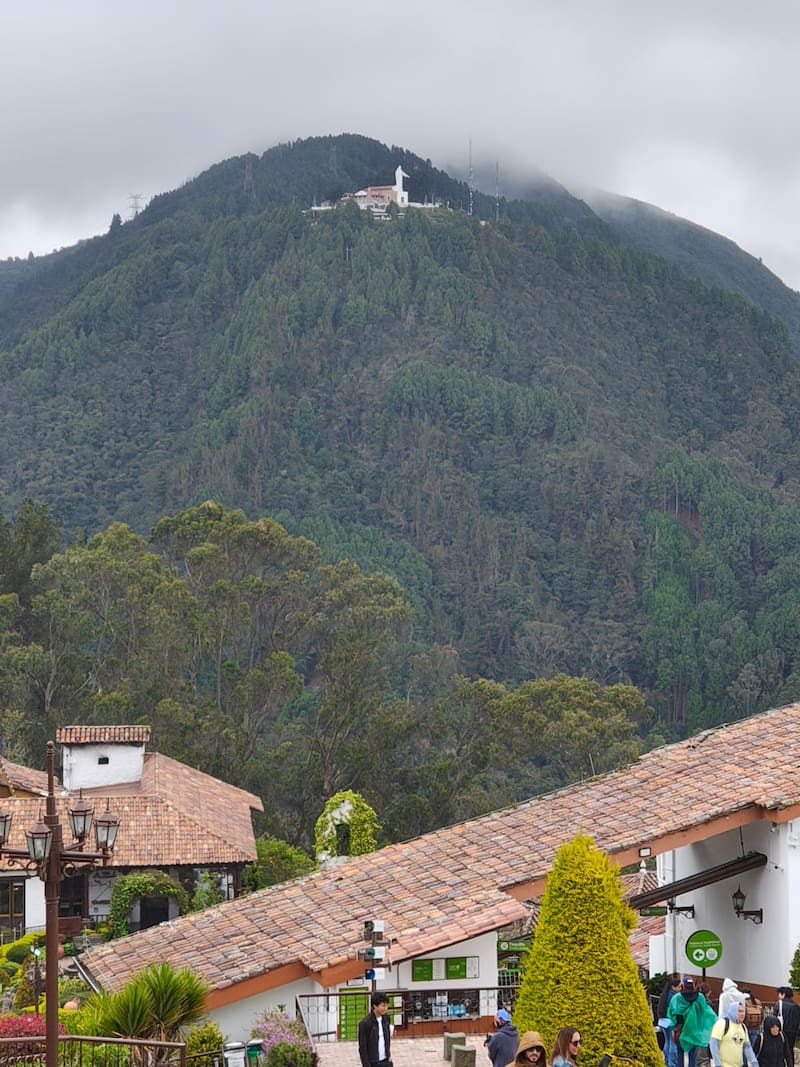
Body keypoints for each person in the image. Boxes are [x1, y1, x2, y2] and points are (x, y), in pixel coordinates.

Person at [669, 977, 718, 1067]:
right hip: (694, 1030)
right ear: (693, 985)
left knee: (680, 1053)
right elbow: (705, 1012)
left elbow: (671, 1012)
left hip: (680, 1030)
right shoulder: (700, 997)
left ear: (683, 985)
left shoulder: (677, 998)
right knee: (693, 1055)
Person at [709, 1001, 757, 1067]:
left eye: (743, 1011)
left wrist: (754, 1062)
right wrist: (717, 1064)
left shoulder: (743, 1027)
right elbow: (713, 1044)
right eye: (739, 1011)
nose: (742, 1014)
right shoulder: (722, 1024)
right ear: (733, 1011)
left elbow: (747, 1046)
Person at [358, 991, 392, 1067]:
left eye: (386, 1005)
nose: (385, 1008)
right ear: (375, 1006)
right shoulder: (365, 1023)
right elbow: (363, 1048)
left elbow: (387, 1038)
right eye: (383, 1006)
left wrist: (389, 1056)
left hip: (386, 1061)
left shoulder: (386, 1018)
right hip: (373, 1062)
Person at [659, 976, 684, 1067]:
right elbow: (676, 1010)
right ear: (673, 987)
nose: (680, 989)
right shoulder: (675, 997)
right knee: (673, 1044)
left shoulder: (664, 995)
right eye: (679, 987)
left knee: (667, 1042)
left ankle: (666, 1061)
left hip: (663, 1022)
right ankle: (672, 1064)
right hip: (672, 1022)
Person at [774, 988, 800, 1054]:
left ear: (783, 994)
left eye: (779, 994)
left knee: (780, 1049)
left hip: (781, 1030)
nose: (778, 996)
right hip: (793, 1031)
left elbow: (774, 1018)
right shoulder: (796, 1006)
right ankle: (790, 1060)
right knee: (790, 1049)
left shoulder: (779, 1004)